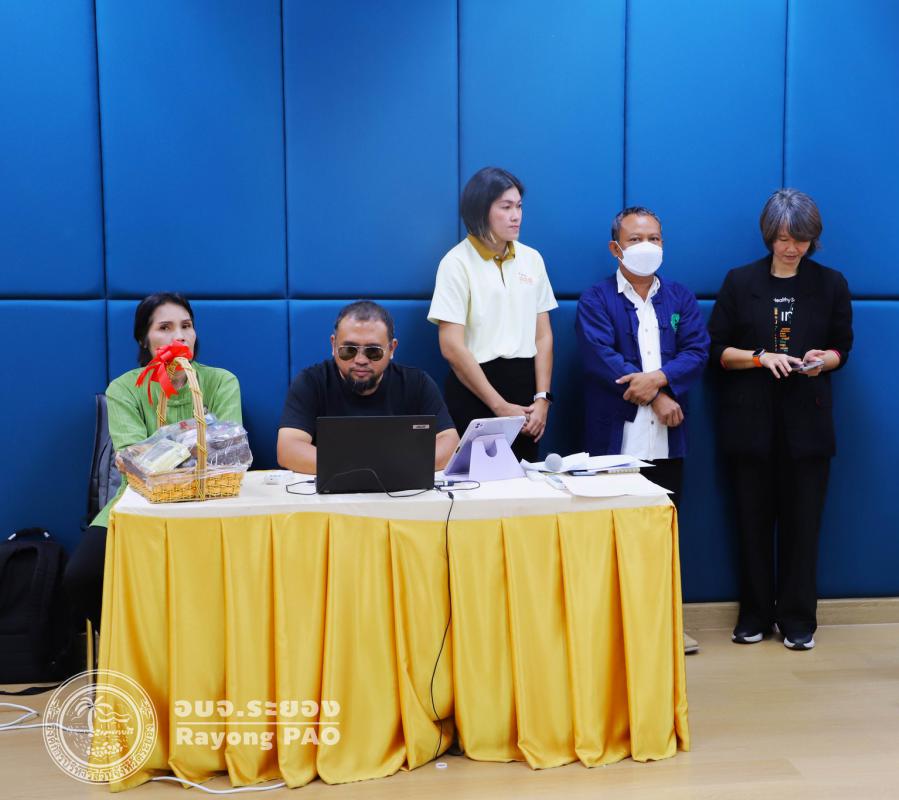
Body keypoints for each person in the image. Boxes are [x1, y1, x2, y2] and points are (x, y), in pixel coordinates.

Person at [708, 189, 853, 651]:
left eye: (801, 239)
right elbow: (717, 351)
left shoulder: (831, 283)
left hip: (807, 427)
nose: (792, 248)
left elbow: (842, 348)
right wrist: (759, 357)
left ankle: (797, 619)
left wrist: (822, 360)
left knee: (803, 528)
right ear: (769, 235)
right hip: (749, 425)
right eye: (784, 238)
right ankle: (754, 615)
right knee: (750, 526)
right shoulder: (740, 281)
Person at [575, 206, 710, 654]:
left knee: (661, 535)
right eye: (635, 239)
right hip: (615, 442)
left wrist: (662, 380)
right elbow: (602, 358)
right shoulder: (596, 300)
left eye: (654, 238)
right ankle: (610, 632)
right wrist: (657, 395)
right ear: (616, 248)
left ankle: (665, 626)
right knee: (610, 536)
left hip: (667, 440)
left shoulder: (680, 298)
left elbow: (697, 350)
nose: (646, 246)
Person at [63, 293, 243, 628]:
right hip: (137, 500)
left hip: (210, 500)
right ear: (144, 340)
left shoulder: (221, 381)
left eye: (186, 326)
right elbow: (136, 461)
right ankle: (133, 643)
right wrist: (189, 448)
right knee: (82, 576)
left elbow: (227, 451)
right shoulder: (124, 389)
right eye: (165, 327)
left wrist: (164, 453)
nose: (180, 336)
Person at [428, 167, 557, 463]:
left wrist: (542, 398)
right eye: (506, 207)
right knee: (474, 484)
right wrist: (498, 406)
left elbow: (543, 335)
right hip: (476, 389)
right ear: (480, 210)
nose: (516, 216)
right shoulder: (456, 263)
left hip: (525, 391)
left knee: (523, 481)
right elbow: (451, 346)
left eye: (519, 207)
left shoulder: (532, 259)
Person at [278, 300, 459, 473]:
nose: (360, 360)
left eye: (373, 351)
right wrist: (369, 467)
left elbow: (450, 443)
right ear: (333, 345)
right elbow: (288, 449)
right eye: (349, 350)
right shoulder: (311, 383)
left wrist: (391, 468)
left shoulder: (417, 383)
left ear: (392, 349)